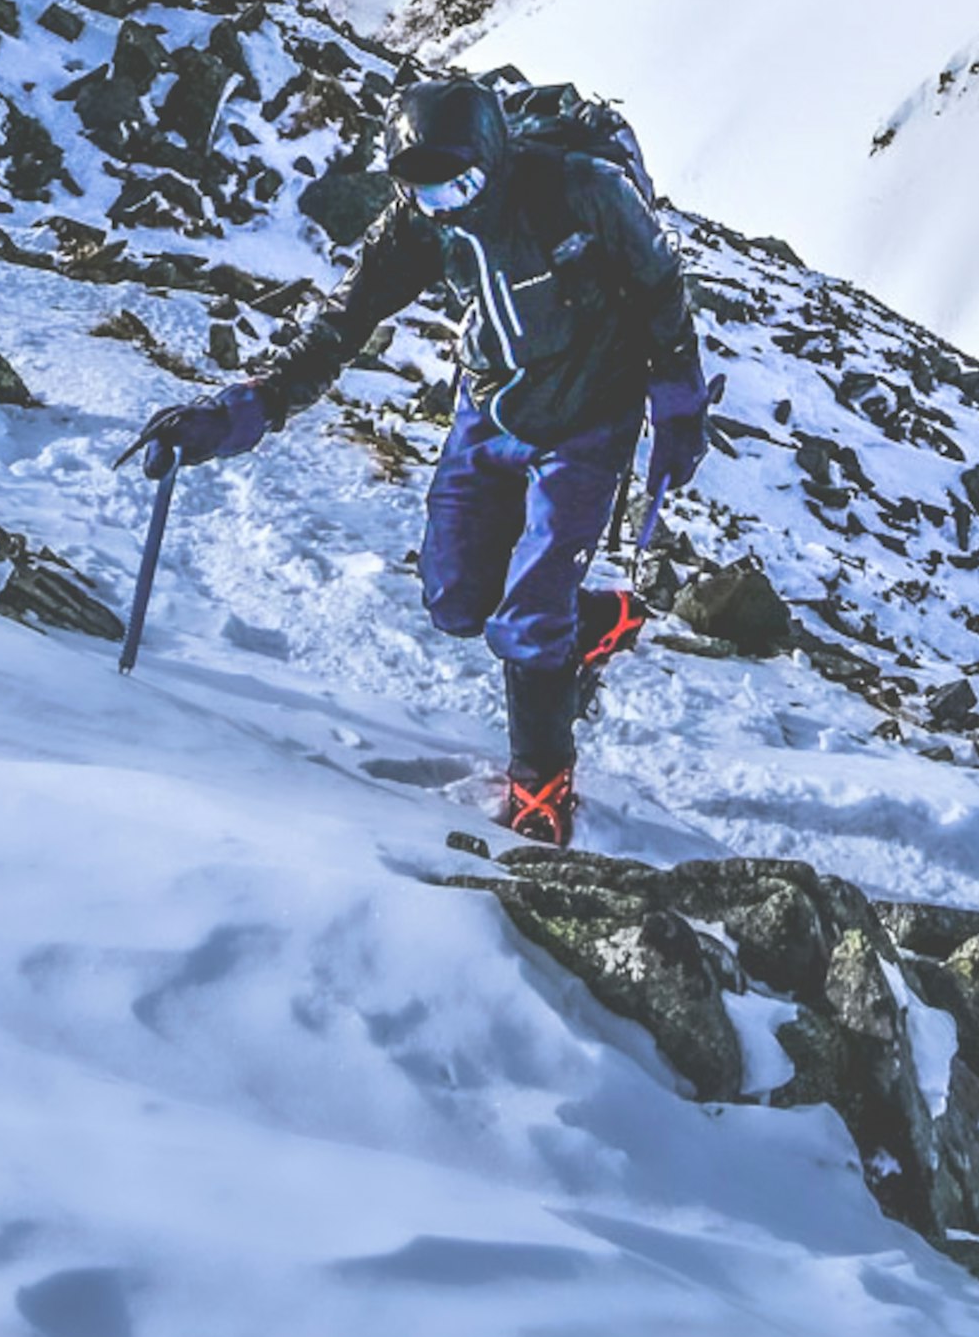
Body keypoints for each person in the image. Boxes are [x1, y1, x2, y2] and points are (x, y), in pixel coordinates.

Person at [129, 78, 712, 847]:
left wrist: (679, 402)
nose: (446, 204)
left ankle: (540, 794)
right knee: (455, 601)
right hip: (490, 408)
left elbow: (661, 288)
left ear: (494, 160)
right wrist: (243, 411)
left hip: (587, 421)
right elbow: (343, 323)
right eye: (424, 191)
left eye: (461, 185)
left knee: (531, 618)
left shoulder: (583, 192)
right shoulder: (422, 223)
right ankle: (593, 623)